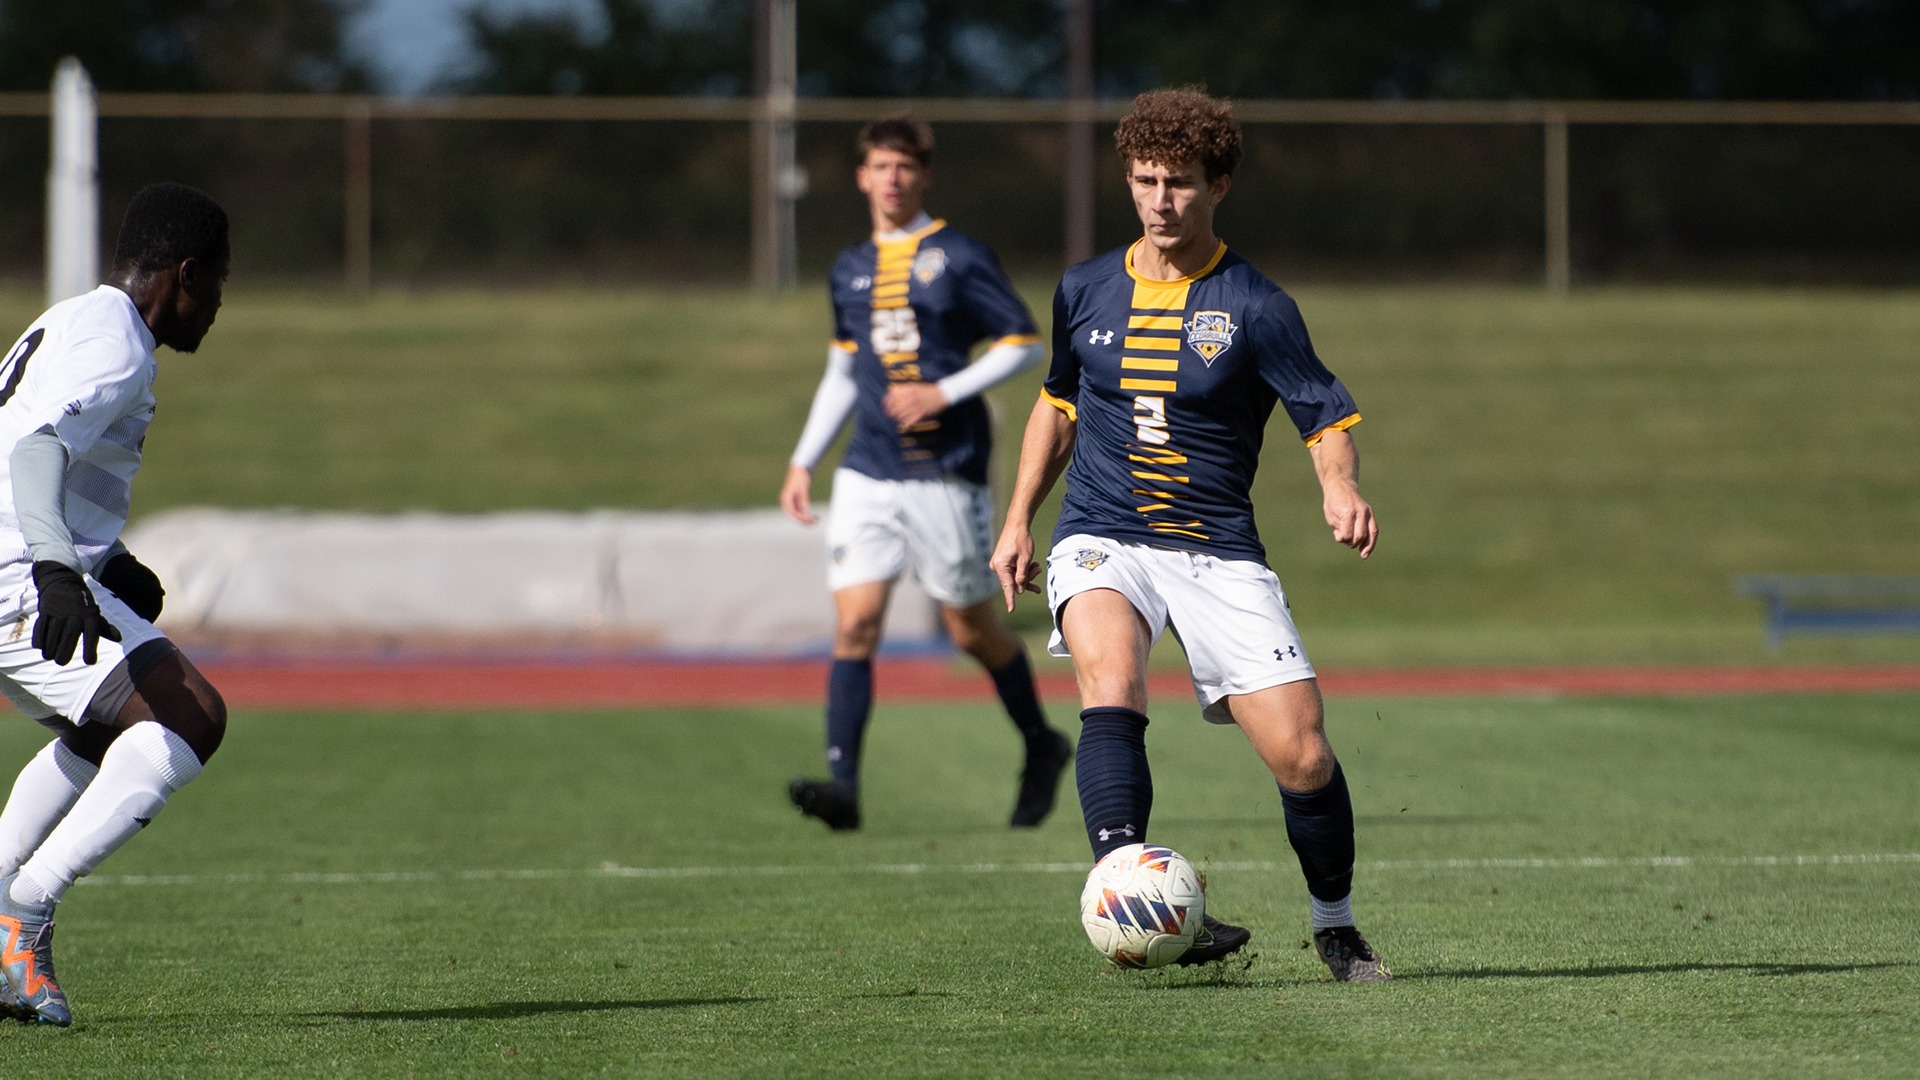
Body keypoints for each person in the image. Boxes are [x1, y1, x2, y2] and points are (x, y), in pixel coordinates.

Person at [989, 88, 1391, 980]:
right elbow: (1058, 405)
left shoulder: (1257, 304)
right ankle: (1129, 897)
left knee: (1304, 755)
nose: (1160, 200)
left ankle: (1335, 925)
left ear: (1219, 185)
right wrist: (1018, 518)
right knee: (1111, 683)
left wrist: (1340, 487)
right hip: (1102, 530)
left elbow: (1324, 416)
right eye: (1144, 180)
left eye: (1178, 182)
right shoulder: (1085, 287)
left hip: (1216, 548)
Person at [781, 118, 1072, 831]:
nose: (893, 178)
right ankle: (844, 787)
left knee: (969, 628)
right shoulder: (849, 267)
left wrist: (942, 392)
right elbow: (843, 371)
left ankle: (1041, 742)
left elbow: (1023, 344)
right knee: (856, 624)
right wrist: (804, 458)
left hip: (946, 470)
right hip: (867, 471)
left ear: (925, 175)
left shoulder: (959, 256)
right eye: (881, 165)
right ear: (861, 176)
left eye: (905, 166)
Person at [0, 183, 232, 1025]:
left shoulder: (74, 320)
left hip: (22, 558)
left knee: (104, 730)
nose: (218, 307)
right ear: (185, 274)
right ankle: (23, 912)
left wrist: (108, 560)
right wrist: (60, 570)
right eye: (218, 284)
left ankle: (3, 897)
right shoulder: (118, 345)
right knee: (191, 714)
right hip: (16, 570)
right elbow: (34, 452)